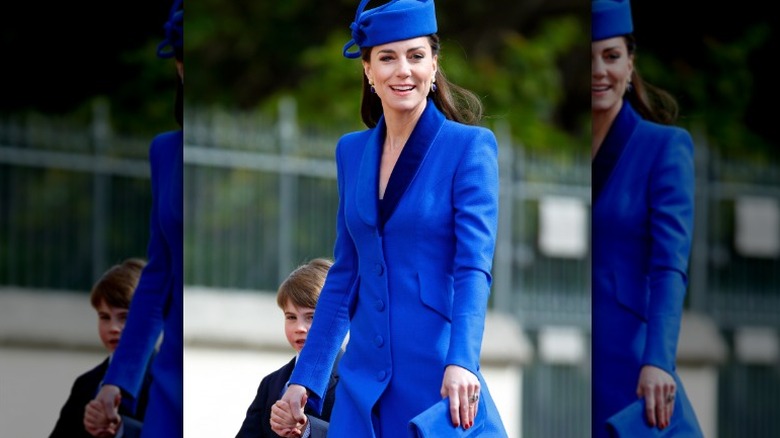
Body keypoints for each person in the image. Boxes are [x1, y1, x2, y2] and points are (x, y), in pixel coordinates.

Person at [273, 0, 508, 436]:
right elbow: (345, 275)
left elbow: (474, 267)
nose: (404, 70)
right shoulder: (351, 151)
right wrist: (304, 380)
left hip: (437, 377)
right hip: (361, 385)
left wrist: (462, 361)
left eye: (416, 56)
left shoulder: (470, 147)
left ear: (434, 65)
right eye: (387, 57)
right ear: (367, 69)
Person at [591, 0, 704, 436]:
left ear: (630, 62)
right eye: (588, 58)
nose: (599, 70)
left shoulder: (664, 147)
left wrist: (659, 360)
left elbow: (669, 266)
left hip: (632, 362)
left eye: (612, 55)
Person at [85, 1, 184, 437]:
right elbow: (156, 280)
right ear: (178, 66)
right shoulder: (164, 151)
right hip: (172, 380)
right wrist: (117, 381)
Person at [236, 258, 340, 438]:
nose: (299, 327)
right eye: (291, 317)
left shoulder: (352, 379)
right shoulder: (271, 383)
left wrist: (307, 428)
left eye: (311, 317)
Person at [50, 258, 151, 438]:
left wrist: (121, 430)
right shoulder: (85, 384)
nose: (113, 327)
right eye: (104, 317)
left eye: (125, 317)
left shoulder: (166, 380)